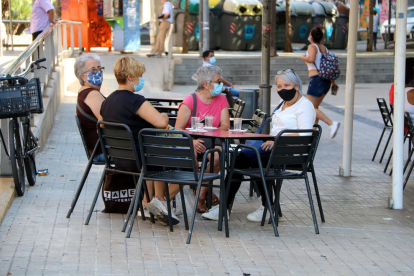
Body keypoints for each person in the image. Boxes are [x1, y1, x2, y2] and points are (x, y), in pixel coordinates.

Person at [202, 69, 316, 222]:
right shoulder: (284, 104)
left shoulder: (305, 105)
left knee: (257, 161)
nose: (282, 89)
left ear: (296, 85)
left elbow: (305, 135)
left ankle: (268, 207)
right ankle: (225, 206)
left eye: (286, 85)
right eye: (279, 86)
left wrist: (277, 140)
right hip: (275, 148)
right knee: (239, 157)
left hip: (292, 152)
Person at [100, 56, 180, 225]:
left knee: (157, 154)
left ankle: (150, 203)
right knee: (188, 163)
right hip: (141, 160)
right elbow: (160, 122)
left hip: (118, 160)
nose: (141, 79)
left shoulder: (107, 101)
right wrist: (164, 115)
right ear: (130, 77)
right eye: (140, 76)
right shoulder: (135, 100)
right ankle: (159, 202)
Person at [175, 65, 231, 213]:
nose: (221, 84)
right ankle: (203, 188)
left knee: (218, 156)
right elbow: (178, 128)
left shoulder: (221, 99)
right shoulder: (190, 100)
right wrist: (191, 142)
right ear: (206, 84)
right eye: (218, 81)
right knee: (190, 154)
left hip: (213, 139)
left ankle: (200, 195)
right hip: (192, 140)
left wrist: (211, 131)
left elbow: (225, 125)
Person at [301, 27, 340, 139]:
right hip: (326, 81)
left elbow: (311, 59)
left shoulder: (312, 46)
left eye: (309, 34)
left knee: (309, 107)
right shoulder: (325, 48)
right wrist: (333, 82)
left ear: (311, 36)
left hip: (316, 79)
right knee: (314, 107)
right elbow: (329, 67)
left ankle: (331, 124)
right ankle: (313, 133)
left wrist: (303, 57)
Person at [75, 54, 106, 162]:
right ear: (83, 76)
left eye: (100, 68)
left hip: (103, 149)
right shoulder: (91, 94)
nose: (98, 72)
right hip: (103, 150)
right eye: (93, 70)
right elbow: (109, 121)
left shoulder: (85, 92)